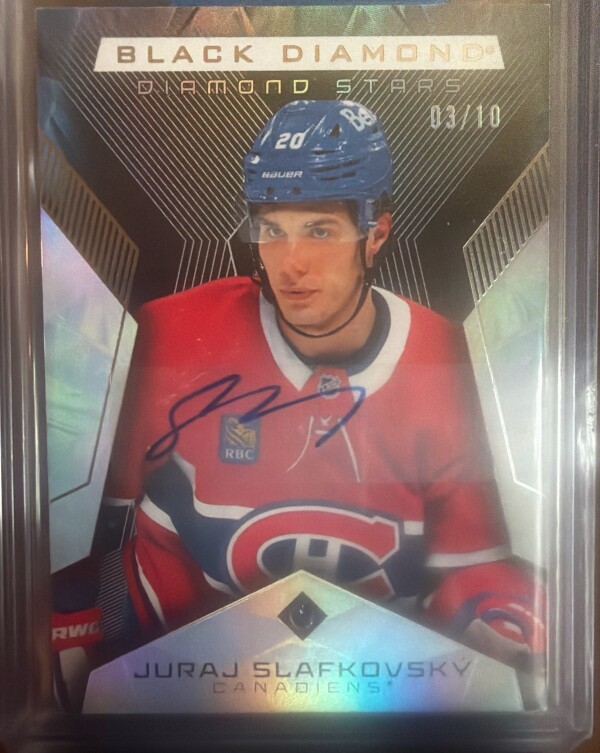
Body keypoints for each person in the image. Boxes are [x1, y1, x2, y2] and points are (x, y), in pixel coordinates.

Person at [104, 100, 545, 669]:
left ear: (375, 233)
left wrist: (495, 629)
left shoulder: (449, 362)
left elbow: (476, 576)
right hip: (181, 658)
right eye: (272, 230)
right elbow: (96, 539)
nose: (290, 264)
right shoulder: (171, 334)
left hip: (378, 675)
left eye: (319, 230)